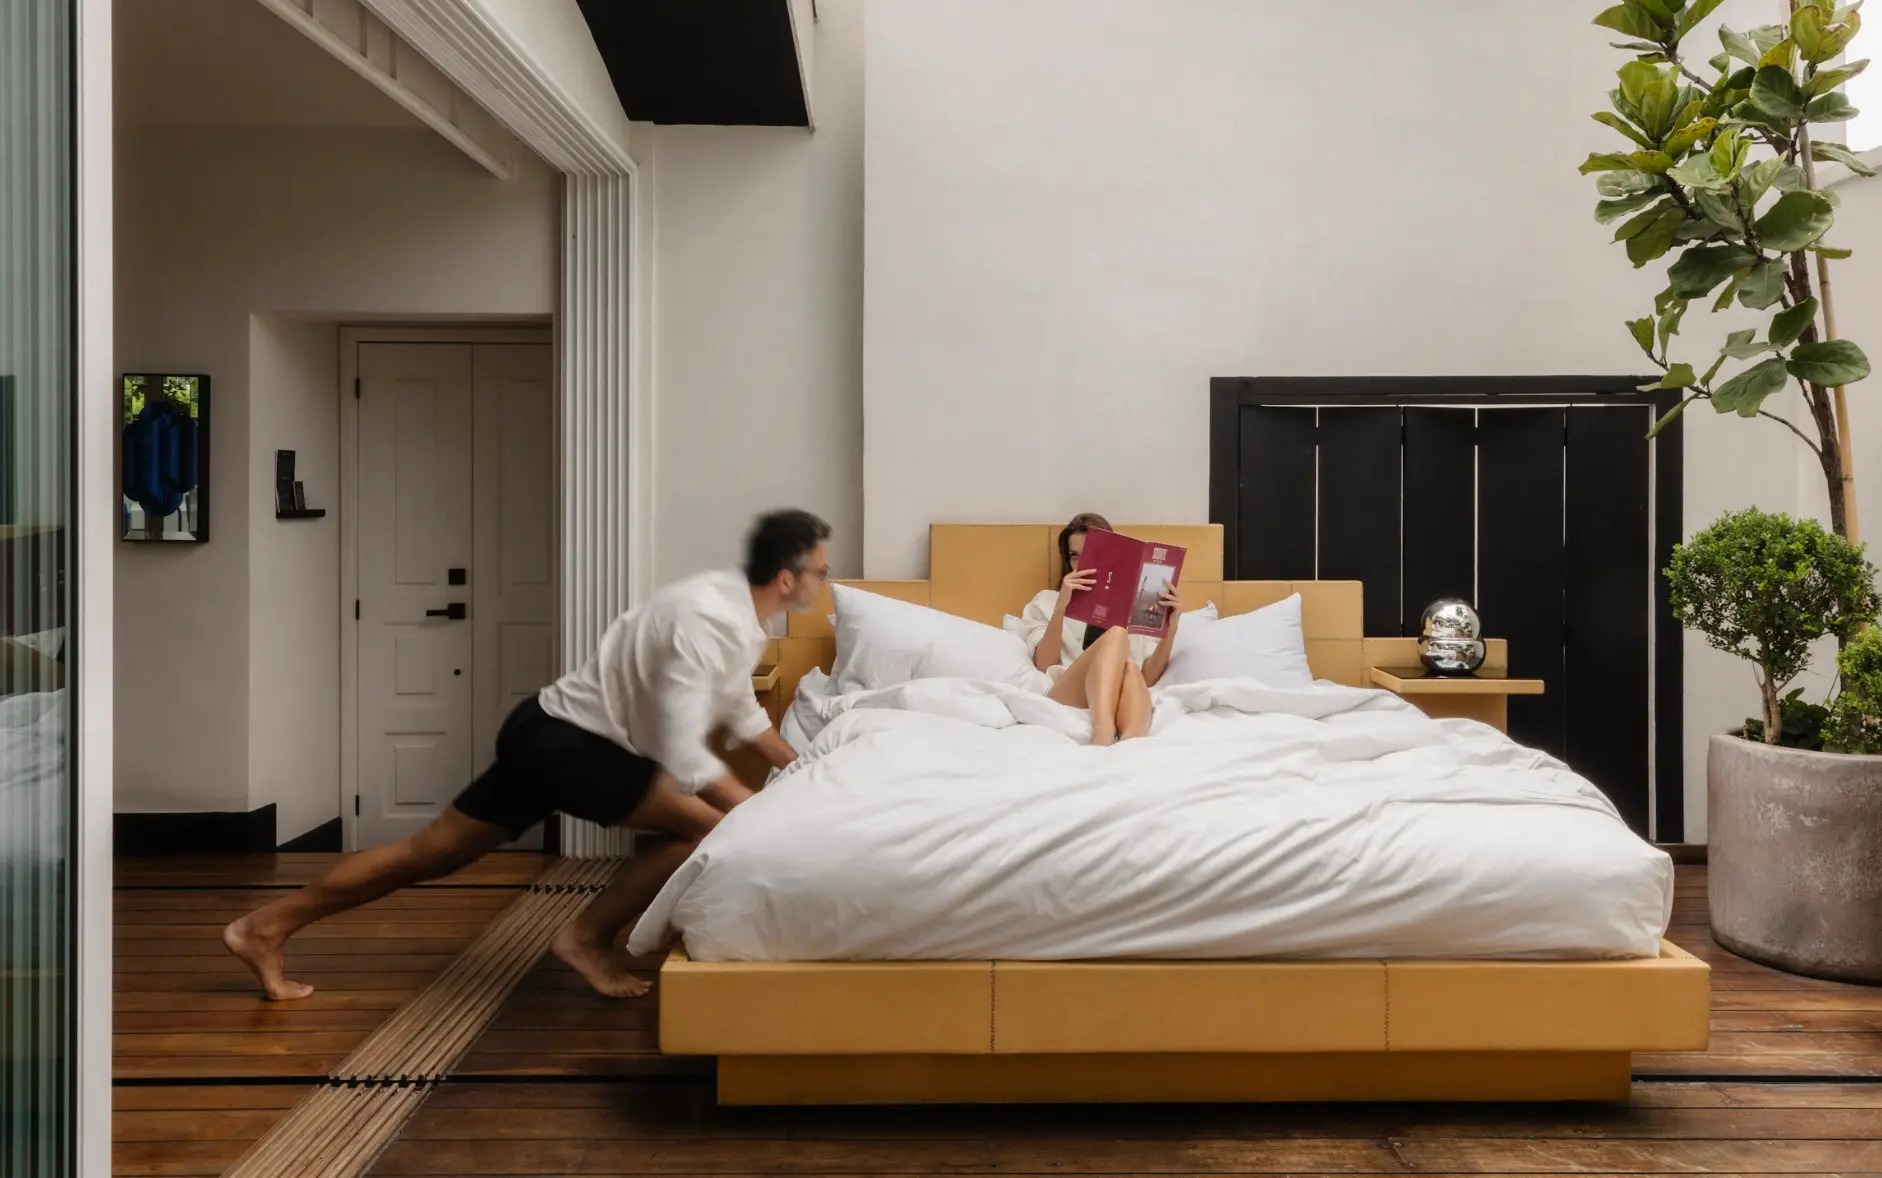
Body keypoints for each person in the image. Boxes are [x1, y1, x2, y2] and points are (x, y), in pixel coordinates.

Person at [223, 509, 833, 1001]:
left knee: (425, 855)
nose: (823, 583)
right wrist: (756, 810)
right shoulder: (707, 620)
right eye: (820, 572)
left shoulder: (735, 613)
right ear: (787, 577)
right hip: (573, 746)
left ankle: (263, 927)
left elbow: (739, 710)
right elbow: (683, 752)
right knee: (708, 831)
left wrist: (801, 767)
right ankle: (586, 939)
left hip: (546, 731)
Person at [1014, 512, 1183, 745]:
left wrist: (1170, 629)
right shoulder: (1047, 600)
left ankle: (1130, 745)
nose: (1082, 563)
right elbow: (1044, 664)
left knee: (1132, 669)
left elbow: (1148, 679)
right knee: (1117, 634)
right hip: (1068, 693)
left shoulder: (1137, 607)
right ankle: (1103, 733)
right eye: (1074, 556)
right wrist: (1061, 607)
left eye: (1092, 554)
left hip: (1123, 695)